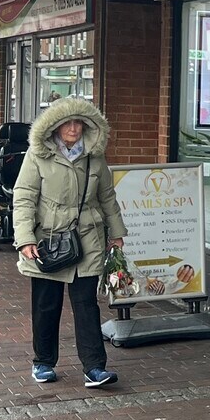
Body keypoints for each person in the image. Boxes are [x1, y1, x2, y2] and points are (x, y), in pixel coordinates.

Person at [14, 96, 126, 390]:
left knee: (87, 304)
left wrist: (117, 234)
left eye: (79, 122)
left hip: (88, 237)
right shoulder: (38, 155)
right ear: (55, 126)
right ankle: (43, 362)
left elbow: (107, 198)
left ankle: (94, 368)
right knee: (46, 304)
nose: (74, 128)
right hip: (47, 241)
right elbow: (24, 197)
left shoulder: (95, 156)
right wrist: (25, 238)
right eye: (68, 122)